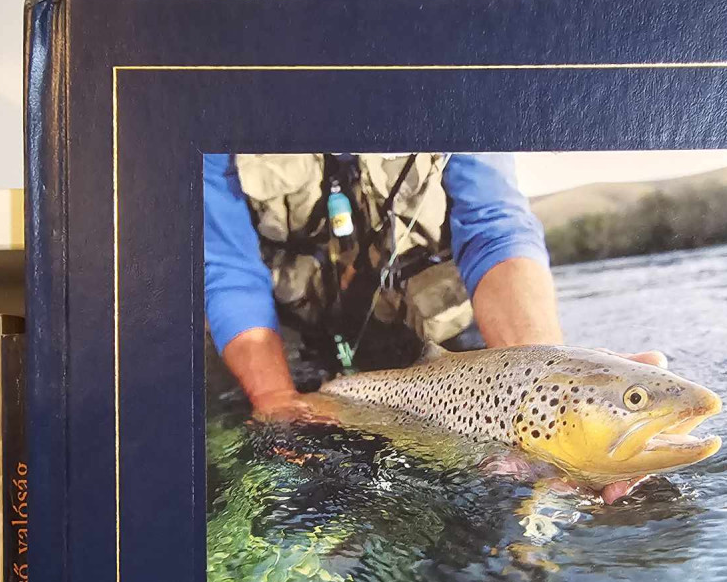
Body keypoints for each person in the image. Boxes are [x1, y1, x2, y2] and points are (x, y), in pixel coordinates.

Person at [204, 150, 565, 415]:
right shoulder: (223, 95)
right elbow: (231, 269)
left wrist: (541, 384)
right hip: (292, 339)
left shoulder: (462, 79)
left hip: (434, 339)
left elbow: (494, 229)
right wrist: (276, 400)